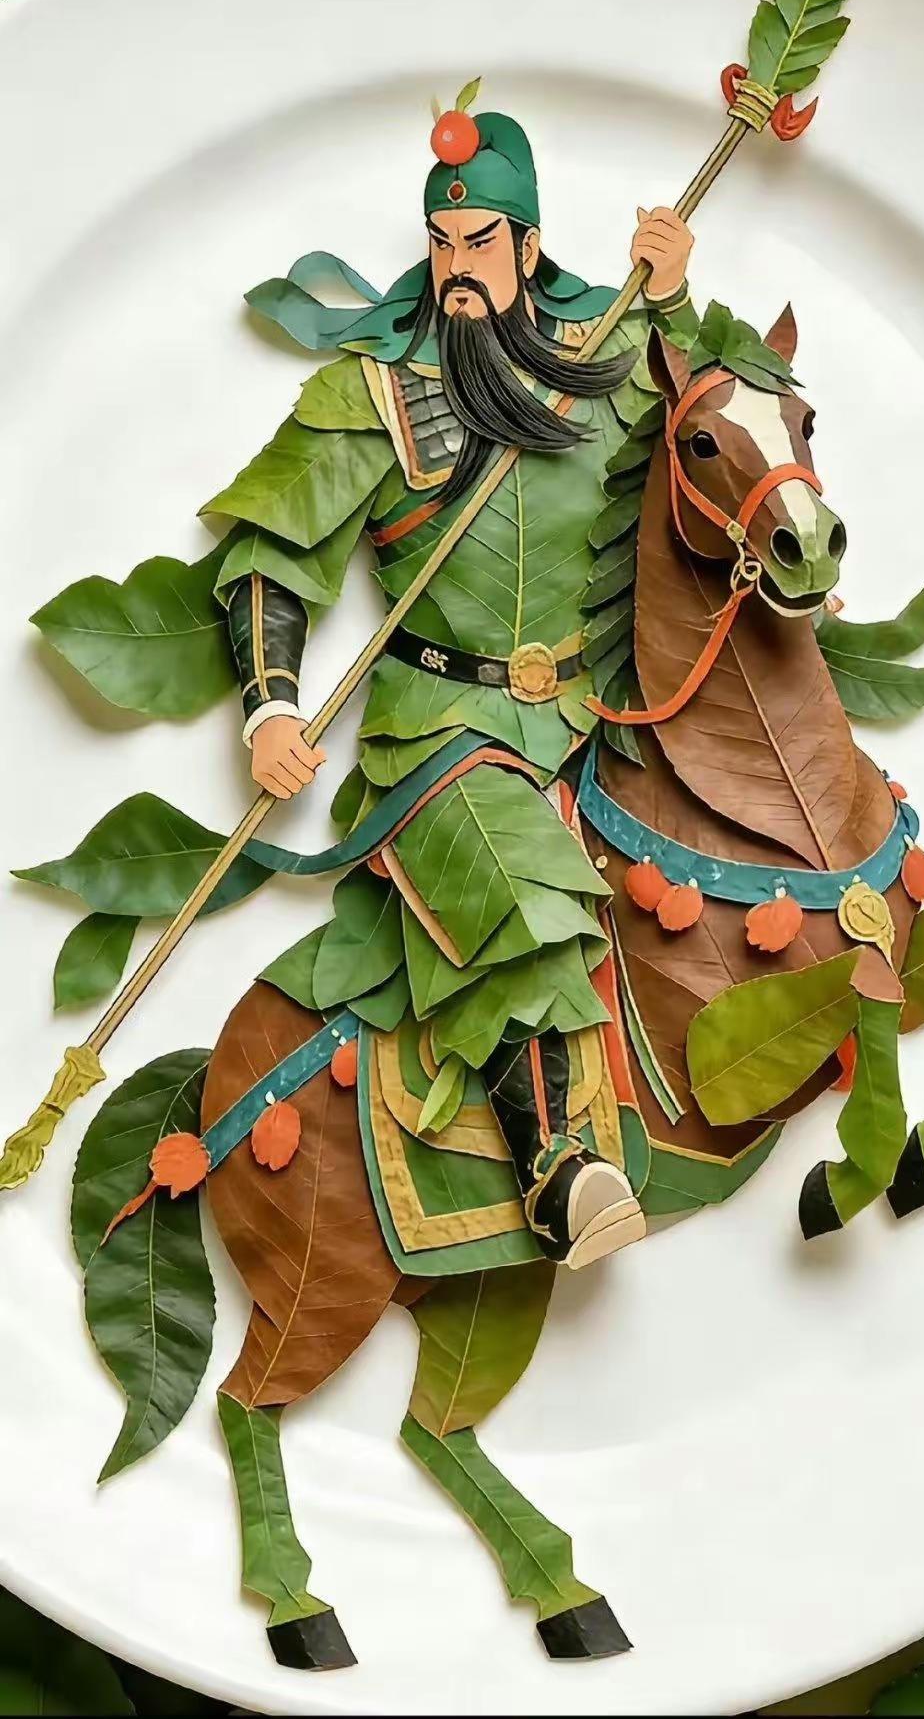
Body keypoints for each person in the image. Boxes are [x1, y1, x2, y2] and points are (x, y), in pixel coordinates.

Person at [210, 92, 696, 1266]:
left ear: (530, 245)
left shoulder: (612, 352)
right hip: (439, 731)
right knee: (515, 878)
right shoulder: (374, 390)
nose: (457, 267)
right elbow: (273, 554)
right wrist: (270, 706)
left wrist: (676, 301)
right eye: (441, 243)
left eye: (481, 242)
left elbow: (713, 442)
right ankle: (556, 1169)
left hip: (593, 718)